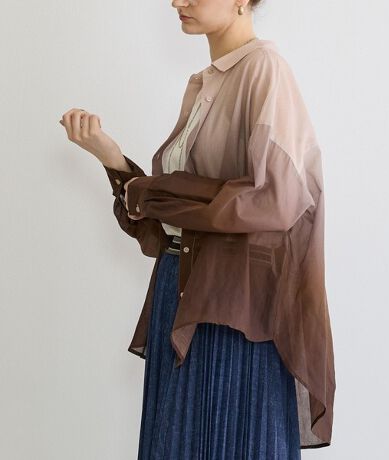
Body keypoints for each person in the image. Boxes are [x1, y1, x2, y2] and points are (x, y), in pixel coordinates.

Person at [59, 1, 336, 458]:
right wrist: (112, 159)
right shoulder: (206, 82)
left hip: (231, 311)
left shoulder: (264, 68)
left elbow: (279, 198)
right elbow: (174, 223)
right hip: (181, 291)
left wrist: (156, 192)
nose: (177, 1)